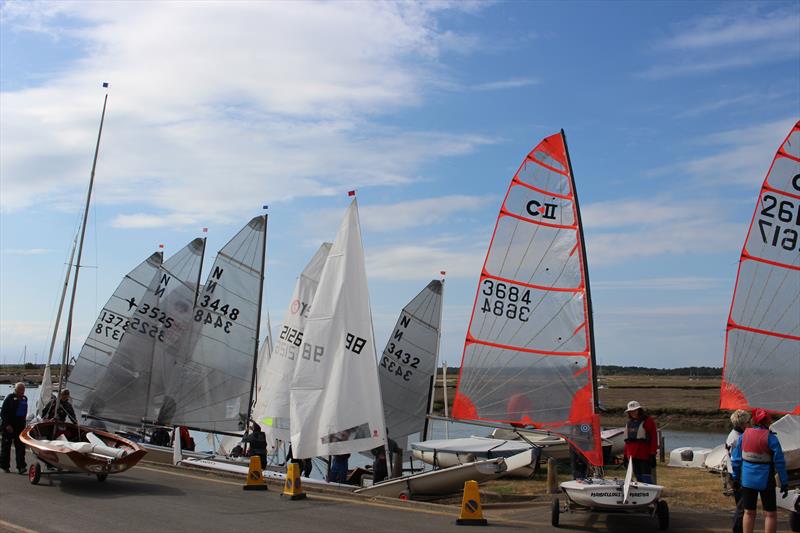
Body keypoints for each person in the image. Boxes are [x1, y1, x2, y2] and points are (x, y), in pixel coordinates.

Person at [731, 409, 789, 533]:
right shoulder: (771, 438)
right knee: (770, 514)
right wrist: (784, 482)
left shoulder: (743, 435)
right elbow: (779, 462)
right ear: (767, 421)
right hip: (766, 480)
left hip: (747, 479)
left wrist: (735, 477)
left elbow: (735, 459)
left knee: (749, 512)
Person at [726, 409, 751, 533]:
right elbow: (736, 461)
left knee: (740, 506)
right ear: (742, 424)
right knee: (742, 508)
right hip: (737, 475)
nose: (749, 424)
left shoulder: (732, 435)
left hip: (733, 474)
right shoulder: (738, 438)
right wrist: (737, 478)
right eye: (748, 422)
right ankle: (737, 530)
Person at [623, 400, 658, 484]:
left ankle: (650, 490)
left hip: (644, 454)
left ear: (639, 410)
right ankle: (641, 491)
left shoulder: (648, 421)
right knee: (637, 475)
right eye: (631, 411)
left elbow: (653, 437)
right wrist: (625, 456)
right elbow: (627, 441)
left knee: (646, 474)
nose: (633, 412)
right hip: (631, 454)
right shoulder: (629, 423)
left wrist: (653, 453)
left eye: (635, 410)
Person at [1, 383, 28, 474]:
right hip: (9, 426)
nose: (22, 392)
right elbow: (3, 413)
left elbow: (24, 414)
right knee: (6, 447)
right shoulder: (9, 398)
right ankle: (5, 466)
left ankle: (21, 467)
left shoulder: (25, 399)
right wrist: (7, 425)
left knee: (20, 447)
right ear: (16, 390)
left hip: (19, 427)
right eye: (20, 390)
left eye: (23, 390)